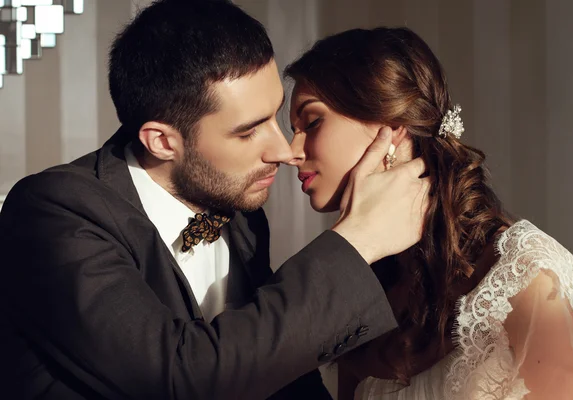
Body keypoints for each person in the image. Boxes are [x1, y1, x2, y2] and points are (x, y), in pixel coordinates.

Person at [0, 3, 430, 400]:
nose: (282, 150)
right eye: (247, 131)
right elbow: (177, 380)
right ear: (163, 141)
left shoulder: (241, 217)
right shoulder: (53, 212)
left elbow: (273, 367)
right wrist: (354, 242)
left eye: (276, 116)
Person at [286, 27, 573, 400]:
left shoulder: (525, 276)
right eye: (294, 130)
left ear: (392, 125)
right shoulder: (366, 295)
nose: (292, 150)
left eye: (312, 122)